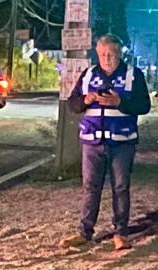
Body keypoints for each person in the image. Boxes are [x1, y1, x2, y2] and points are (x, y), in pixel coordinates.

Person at [60, 33, 151, 250]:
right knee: (91, 187)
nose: (107, 58)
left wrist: (120, 102)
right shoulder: (88, 74)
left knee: (121, 187)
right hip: (93, 142)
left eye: (111, 54)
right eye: (102, 54)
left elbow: (144, 105)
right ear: (97, 54)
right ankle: (85, 232)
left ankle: (120, 233)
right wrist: (86, 100)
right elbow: (72, 105)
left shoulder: (133, 75)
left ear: (120, 54)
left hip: (122, 142)